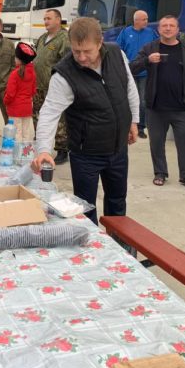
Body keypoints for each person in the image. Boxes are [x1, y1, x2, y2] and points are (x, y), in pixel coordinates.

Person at [32, 18, 139, 224]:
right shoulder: (64, 75)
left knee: (117, 202)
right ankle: (91, 242)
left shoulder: (117, 55)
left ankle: (117, 240)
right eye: (76, 51)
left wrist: (133, 120)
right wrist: (44, 149)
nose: (81, 57)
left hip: (118, 149)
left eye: (87, 51)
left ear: (100, 43)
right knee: (85, 207)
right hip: (86, 154)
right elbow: (49, 113)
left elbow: (129, 88)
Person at [131, 15, 185, 189]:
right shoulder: (150, 48)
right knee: (157, 143)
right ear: (159, 30)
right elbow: (133, 67)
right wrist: (148, 60)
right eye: (164, 25)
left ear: (178, 30)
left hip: (181, 107)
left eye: (172, 25)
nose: (168, 28)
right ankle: (160, 173)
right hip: (156, 107)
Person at [32, 9, 71, 164]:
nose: (46, 21)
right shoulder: (42, 38)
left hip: (53, 87)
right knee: (38, 116)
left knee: (59, 119)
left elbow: (67, 62)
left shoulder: (64, 38)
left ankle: (62, 149)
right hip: (38, 85)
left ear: (58, 19)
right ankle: (42, 146)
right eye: (45, 19)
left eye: (49, 18)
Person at [116, 9, 158, 139]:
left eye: (147, 19)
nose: (147, 21)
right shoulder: (125, 32)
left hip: (145, 72)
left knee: (143, 101)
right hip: (129, 72)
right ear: (136, 20)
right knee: (128, 100)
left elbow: (158, 46)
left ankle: (140, 127)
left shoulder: (151, 33)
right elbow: (118, 49)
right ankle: (126, 125)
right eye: (144, 19)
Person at [4, 42, 37, 142]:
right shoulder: (33, 73)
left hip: (15, 109)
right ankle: (25, 151)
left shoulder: (15, 74)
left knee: (16, 133)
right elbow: (33, 91)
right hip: (27, 108)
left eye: (16, 57)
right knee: (25, 133)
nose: (14, 59)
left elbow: (10, 94)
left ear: (19, 60)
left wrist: (5, 101)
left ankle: (17, 152)